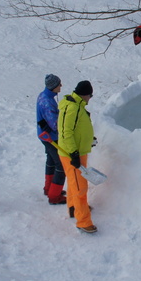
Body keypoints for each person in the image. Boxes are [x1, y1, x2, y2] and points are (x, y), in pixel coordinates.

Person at [58, 80, 97, 234]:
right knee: (81, 187)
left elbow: (78, 129)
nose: (90, 99)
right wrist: (73, 153)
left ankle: (74, 208)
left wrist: (89, 140)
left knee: (74, 183)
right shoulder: (72, 107)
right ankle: (83, 221)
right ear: (85, 94)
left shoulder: (77, 105)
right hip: (72, 154)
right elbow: (65, 132)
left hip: (79, 152)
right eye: (90, 96)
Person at [36, 73, 66, 205]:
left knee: (51, 160)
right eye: (59, 84)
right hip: (51, 137)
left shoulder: (44, 96)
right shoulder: (48, 102)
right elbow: (55, 125)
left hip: (44, 135)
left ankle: (49, 188)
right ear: (54, 86)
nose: (61, 86)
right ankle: (55, 195)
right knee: (61, 164)